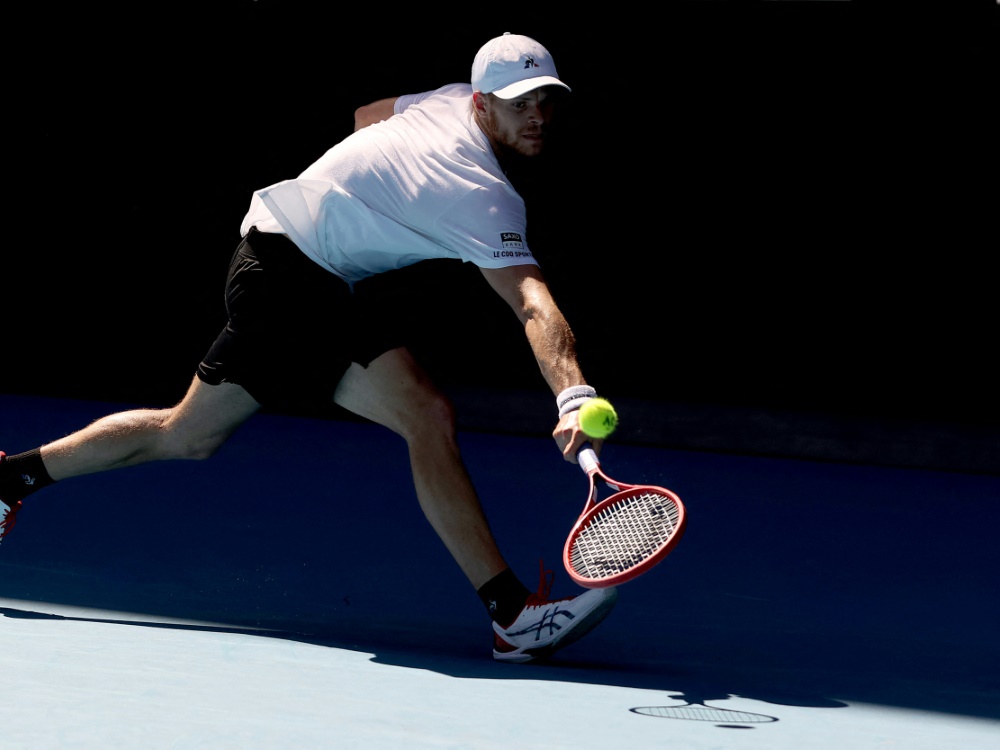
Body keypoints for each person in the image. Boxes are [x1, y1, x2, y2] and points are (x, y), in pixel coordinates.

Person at [0, 32, 618, 663]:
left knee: (187, 434)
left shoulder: (447, 99)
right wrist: (573, 394)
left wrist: (369, 201)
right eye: (519, 103)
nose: (537, 115)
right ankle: (511, 616)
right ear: (484, 102)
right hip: (293, 274)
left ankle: (9, 478)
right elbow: (532, 304)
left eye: (545, 99)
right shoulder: (484, 196)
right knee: (425, 416)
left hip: (272, 256)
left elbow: (366, 117)